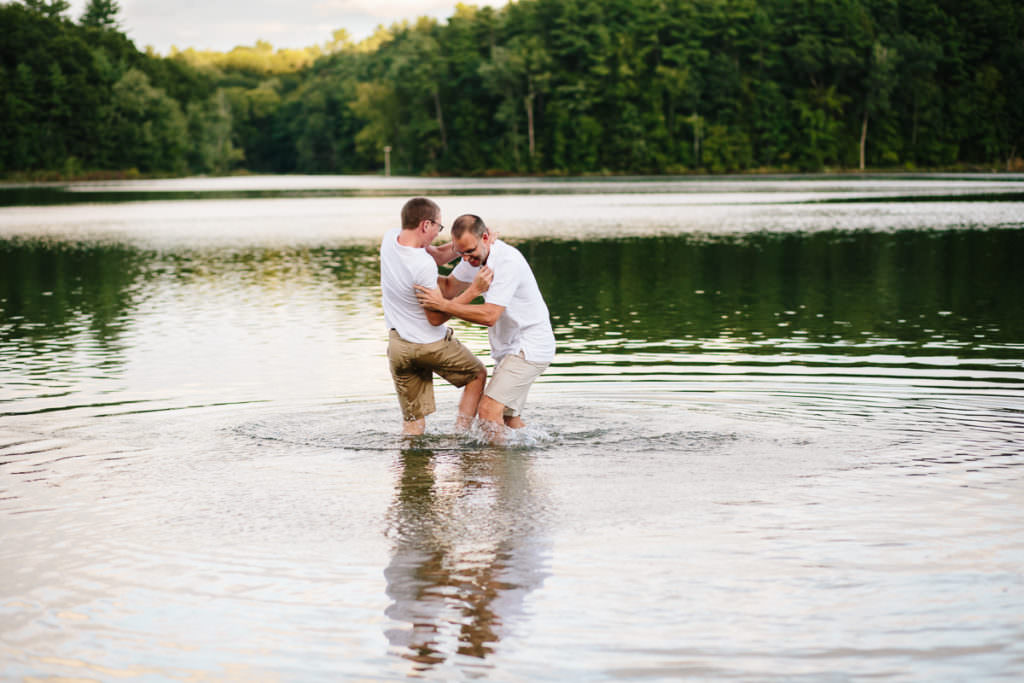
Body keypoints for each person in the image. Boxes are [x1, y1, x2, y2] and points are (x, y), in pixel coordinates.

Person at [415, 214, 555, 440]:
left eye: (470, 251)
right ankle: (522, 467)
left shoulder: (506, 262)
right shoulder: (474, 258)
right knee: (508, 420)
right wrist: (410, 274)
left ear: (486, 238)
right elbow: (450, 286)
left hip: (529, 348)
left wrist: (444, 305)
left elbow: (490, 315)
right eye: (460, 253)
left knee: (488, 412)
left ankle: (493, 471)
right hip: (510, 350)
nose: (466, 259)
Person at [380, 198, 491, 435]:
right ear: (425, 225)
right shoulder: (421, 265)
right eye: (438, 228)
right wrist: (474, 291)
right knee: (477, 374)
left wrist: (465, 246)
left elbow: (438, 255)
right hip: (430, 345)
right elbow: (436, 317)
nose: (438, 233)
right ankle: (460, 436)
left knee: (413, 422)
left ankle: (414, 468)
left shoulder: (389, 239)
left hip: (399, 346)